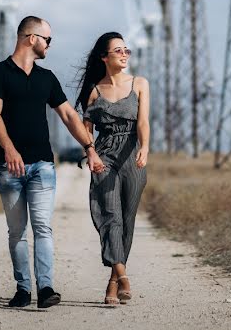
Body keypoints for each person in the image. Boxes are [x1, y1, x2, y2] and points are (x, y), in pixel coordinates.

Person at [0, 15, 106, 309]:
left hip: (42, 166)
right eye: (47, 39)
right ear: (31, 38)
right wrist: (10, 150)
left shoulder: (46, 78)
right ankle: (23, 289)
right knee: (17, 231)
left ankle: (46, 288)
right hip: (8, 167)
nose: (50, 44)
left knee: (43, 228)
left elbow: (68, 115)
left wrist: (89, 147)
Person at [75, 31, 150, 306]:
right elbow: (86, 128)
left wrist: (145, 147)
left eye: (126, 50)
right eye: (118, 50)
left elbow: (143, 122)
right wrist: (90, 151)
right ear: (104, 57)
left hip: (133, 154)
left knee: (127, 221)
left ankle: (112, 283)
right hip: (105, 155)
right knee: (109, 216)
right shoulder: (94, 91)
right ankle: (125, 277)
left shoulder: (140, 84)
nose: (124, 54)